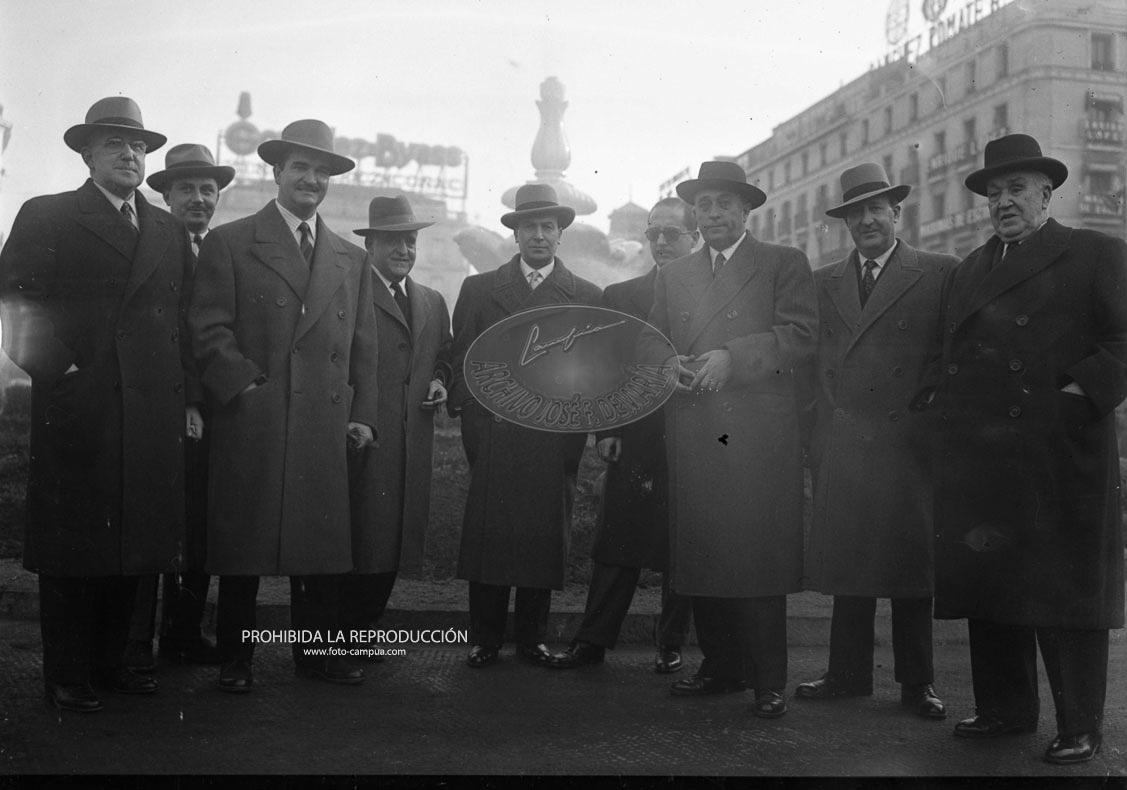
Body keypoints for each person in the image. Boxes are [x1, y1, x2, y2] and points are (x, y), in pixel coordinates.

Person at [930, 133, 1127, 764]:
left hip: (1059, 455)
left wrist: (1074, 394)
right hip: (982, 458)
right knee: (994, 586)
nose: (1004, 201)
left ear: (1047, 193)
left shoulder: (1094, 252)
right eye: (995, 191)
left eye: (1017, 189)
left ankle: (1079, 723)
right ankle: (1006, 711)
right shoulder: (967, 270)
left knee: (1064, 594)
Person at [0, 97, 194, 712]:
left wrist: (180, 396)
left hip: (150, 413)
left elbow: (183, 321)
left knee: (136, 542)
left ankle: (119, 663)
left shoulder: (165, 227)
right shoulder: (50, 214)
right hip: (80, 408)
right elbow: (17, 307)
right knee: (76, 544)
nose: (129, 155)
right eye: (114, 144)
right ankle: (68, 672)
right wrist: (66, 374)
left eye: (137, 146)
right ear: (86, 154)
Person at [189, 119, 380, 693]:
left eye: (322, 171)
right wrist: (244, 388)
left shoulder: (350, 256)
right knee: (242, 547)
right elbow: (207, 328)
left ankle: (317, 656)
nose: (311, 180)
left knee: (319, 546)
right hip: (256, 418)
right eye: (300, 168)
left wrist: (362, 413)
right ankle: (236, 660)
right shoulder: (232, 240)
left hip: (324, 420)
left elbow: (364, 348)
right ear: (277, 172)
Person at [640, 161, 817, 719]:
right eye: (704, 205)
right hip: (695, 426)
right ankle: (721, 667)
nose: (713, 214)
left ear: (746, 210)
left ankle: (768, 680)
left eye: (724, 204)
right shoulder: (674, 276)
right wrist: (669, 364)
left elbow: (800, 335)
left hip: (756, 432)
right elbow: (652, 340)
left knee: (756, 556)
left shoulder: (783, 263)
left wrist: (731, 358)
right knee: (704, 549)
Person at [794, 163, 957, 718]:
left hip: (907, 444)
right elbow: (811, 364)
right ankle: (847, 674)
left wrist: (930, 408)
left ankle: (917, 684)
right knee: (849, 567)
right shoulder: (823, 281)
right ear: (845, 222)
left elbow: (950, 353)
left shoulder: (938, 272)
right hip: (843, 441)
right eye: (855, 213)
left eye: (876, 210)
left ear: (896, 213)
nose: (866, 221)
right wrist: (818, 432)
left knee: (912, 571)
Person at [448, 183, 601, 668]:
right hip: (494, 434)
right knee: (492, 535)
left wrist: (570, 434)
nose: (539, 235)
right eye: (529, 227)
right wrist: (477, 425)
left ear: (560, 236)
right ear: (514, 235)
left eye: (548, 227)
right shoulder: (479, 289)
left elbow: (591, 376)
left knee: (541, 535)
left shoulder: (585, 296)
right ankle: (484, 638)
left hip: (553, 439)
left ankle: (533, 637)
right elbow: (463, 361)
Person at [550, 197, 696, 673]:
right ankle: (591, 641)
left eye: (671, 234)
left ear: (694, 237)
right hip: (634, 437)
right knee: (616, 542)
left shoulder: (714, 296)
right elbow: (603, 370)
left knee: (683, 544)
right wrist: (606, 430)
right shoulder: (623, 296)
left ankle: (670, 643)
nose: (659, 242)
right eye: (653, 233)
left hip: (695, 438)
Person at [124, 144, 234, 671]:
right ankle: (135, 643)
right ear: (165, 194)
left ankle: (183, 634)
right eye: (186, 189)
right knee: (155, 524)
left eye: (208, 190)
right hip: (162, 407)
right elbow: (172, 335)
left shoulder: (219, 250)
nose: (198, 199)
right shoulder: (154, 247)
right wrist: (188, 400)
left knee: (202, 523)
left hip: (213, 412)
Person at [340, 195, 453, 652]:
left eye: (410, 241)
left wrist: (442, 381)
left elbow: (444, 353)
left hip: (412, 442)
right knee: (356, 543)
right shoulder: (349, 290)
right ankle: (336, 642)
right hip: (361, 438)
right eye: (393, 241)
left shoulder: (430, 299)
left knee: (393, 543)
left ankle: (364, 634)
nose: (404, 250)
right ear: (370, 244)